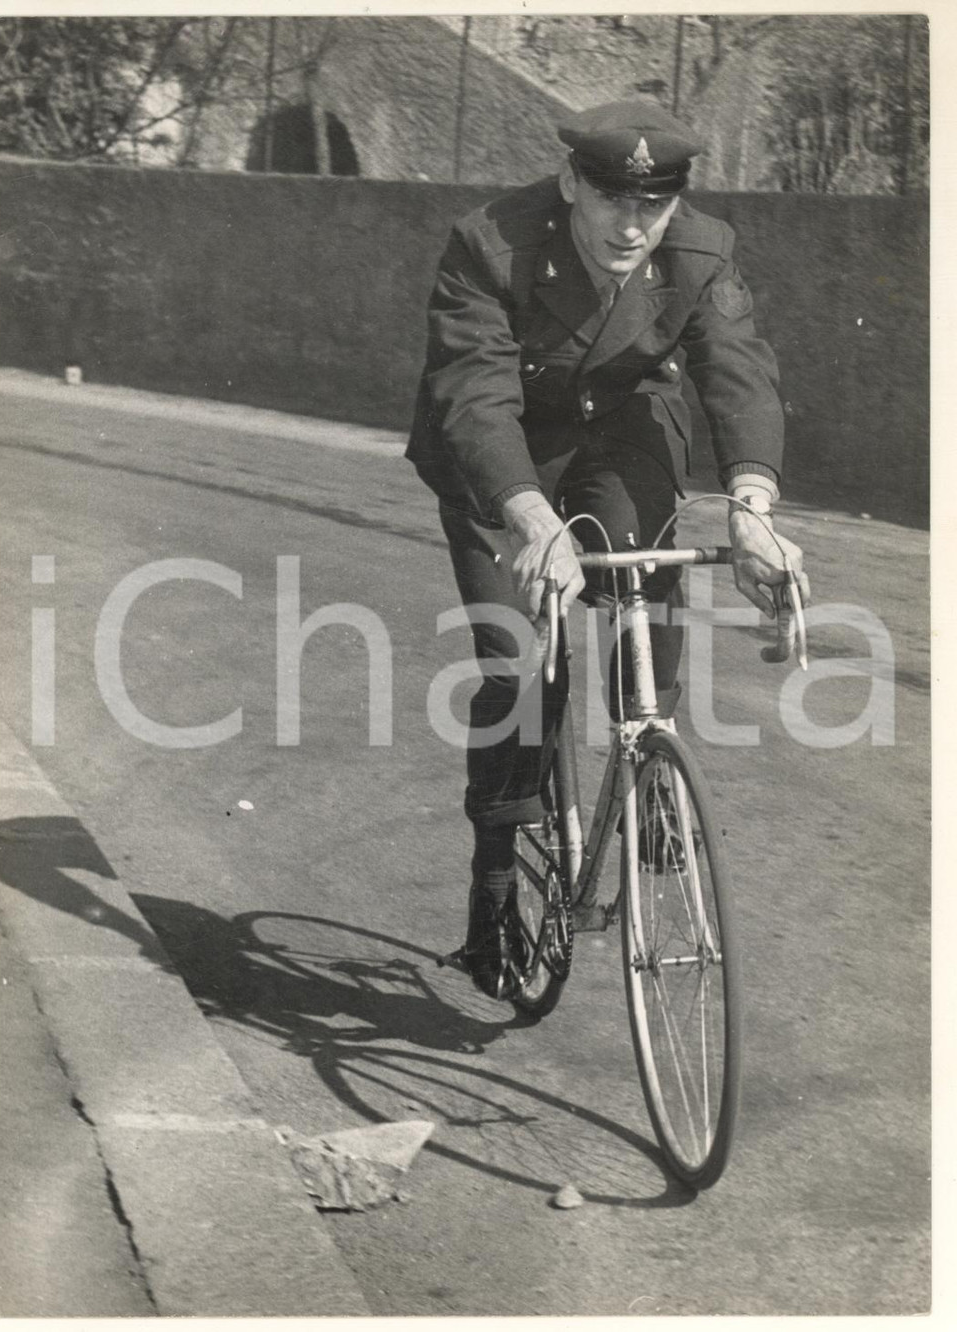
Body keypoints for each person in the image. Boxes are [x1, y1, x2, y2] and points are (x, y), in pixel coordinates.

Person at [406, 99, 808, 999]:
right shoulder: (490, 244)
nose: (634, 227)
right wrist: (530, 517)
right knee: (517, 657)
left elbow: (737, 367)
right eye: (613, 201)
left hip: (622, 427)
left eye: (654, 205)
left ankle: (649, 747)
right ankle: (498, 874)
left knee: (644, 575)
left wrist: (752, 506)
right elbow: (474, 397)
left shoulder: (700, 249)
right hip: (499, 452)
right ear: (570, 184)